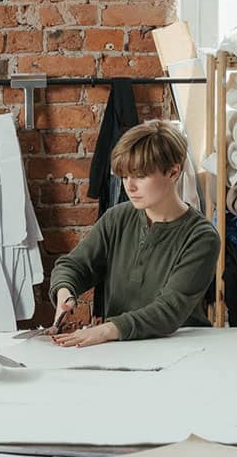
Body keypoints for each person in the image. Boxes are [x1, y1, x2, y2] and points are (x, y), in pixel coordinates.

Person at [49, 120, 220, 347]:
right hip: (121, 348)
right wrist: (65, 293)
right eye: (124, 176)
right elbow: (73, 266)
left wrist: (105, 330)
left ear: (173, 172)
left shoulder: (201, 237)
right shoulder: (116, 218)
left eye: (140, 175)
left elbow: (169, 310)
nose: (129, 186)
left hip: (179, 350)